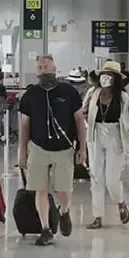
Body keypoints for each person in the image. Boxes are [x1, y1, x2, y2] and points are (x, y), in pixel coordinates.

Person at [19, 54, 87, 246]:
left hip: (63, 149)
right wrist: (22, 152)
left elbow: (80, 122)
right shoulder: (30, 95)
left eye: (46, 67)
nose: (43, 70)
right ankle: (45, 228)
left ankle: (64, 211)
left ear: (55, 69)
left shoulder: (69, 92)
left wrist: (83, 147)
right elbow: (24, 126)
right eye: (40, 67)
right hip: (38, 147)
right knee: (40, 188)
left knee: (63, 189)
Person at [83, 61, 129, 229]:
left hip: (116, 135)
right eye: (103, 75)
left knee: (112, 179)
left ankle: (120, 202)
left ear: (115, 78)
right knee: (96, 177)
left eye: (109, 75)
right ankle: (97, 216)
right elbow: (83, 111)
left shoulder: (123, 98)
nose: (105, 78)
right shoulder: (93, 93)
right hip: (95, 135)